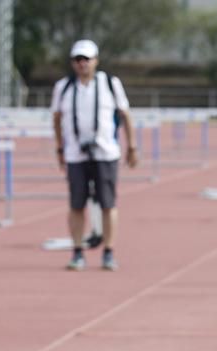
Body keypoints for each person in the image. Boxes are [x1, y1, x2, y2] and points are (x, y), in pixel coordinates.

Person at [51, 39, 138, 271]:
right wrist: (60, 148)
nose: (82, 64)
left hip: (105, 152)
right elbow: (57, 118)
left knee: (108, 204)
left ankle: (108, 251)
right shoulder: (63, 87)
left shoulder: (110, 83)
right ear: (72, 62)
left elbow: (125, 115)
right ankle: (78, 251)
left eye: (86, 59)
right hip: (75, 154)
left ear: (95, 60)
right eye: (78, 59)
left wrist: (132, 147)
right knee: (76, 204)